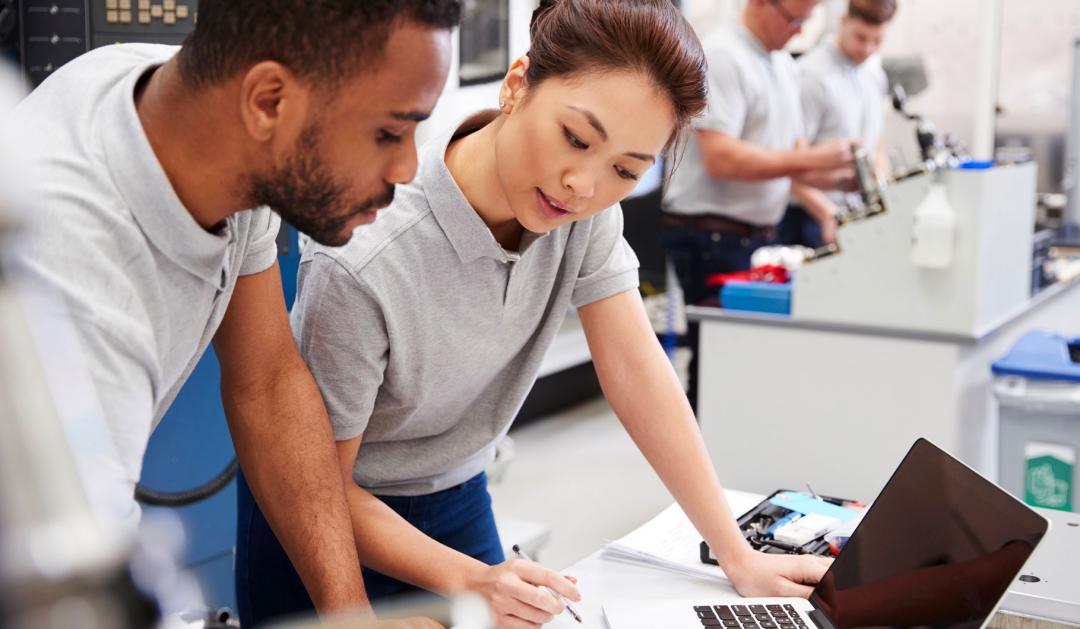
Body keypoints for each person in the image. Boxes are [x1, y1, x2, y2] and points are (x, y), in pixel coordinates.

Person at [236, 0, 832, 627]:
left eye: (626, 170)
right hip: (326, 514)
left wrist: (738, 556)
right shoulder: (371, 252)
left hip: (456, 493)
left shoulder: (587, 214)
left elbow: (636, 371)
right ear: (517, 84)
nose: (583, 185)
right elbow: (318, 482)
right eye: (576, 138)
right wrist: (470, 580)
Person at [3, 1, 459, 624]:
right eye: (387, 132)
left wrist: (350, 617)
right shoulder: (80, 283)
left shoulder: (202, 124)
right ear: (268, 101)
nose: (407, 169)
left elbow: (267, 380)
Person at [659, 0, 856, 409]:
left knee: (748, 361)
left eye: (806, 21)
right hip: (710, 234)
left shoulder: (782, 64)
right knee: (718, 360)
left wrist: (843, 181)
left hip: (755, 234)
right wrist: (813, 160)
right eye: (793, 18)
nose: (799, 31)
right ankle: (703, 463)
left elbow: (788, 161)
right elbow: (722, 158)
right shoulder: (724, 57)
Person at [787, 0, 896, 245]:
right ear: (843, 22)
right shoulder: (811, 76)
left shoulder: (875, 74)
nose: (867, 49)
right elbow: (787, 166)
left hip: (855, 213)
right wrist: (827, 214)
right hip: (810, 216)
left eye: (877, 41)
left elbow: (876, 144)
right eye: (860, 37)